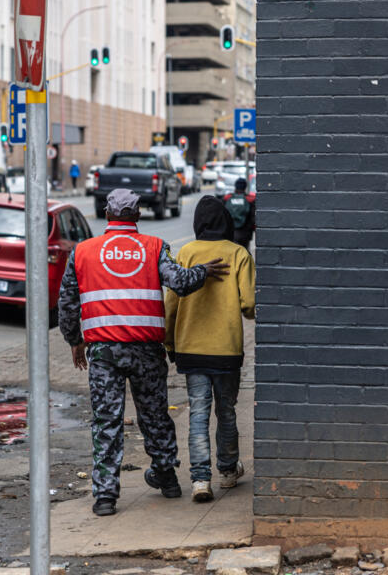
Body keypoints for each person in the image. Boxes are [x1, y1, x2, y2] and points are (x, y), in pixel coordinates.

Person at [58, 188, 229, 517]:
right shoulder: (154, 247)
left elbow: (66, 302)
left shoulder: (83, 252)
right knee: (154, 415)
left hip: (103, 351)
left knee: (107, 421)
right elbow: (179, 282)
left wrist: (74, 340)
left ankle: (105, 496)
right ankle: (166, 478)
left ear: (107, 215)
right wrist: (203, 272)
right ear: (137, 216)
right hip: (146, 350)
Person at [164, 195, 255, 503]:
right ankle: (228, 472)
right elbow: (249, 305)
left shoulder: (187, 253)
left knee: (198, 414)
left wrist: (168, 342)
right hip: (226, 349)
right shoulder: (238, 254)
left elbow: (171, 302)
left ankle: (201, 480)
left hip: (191, 347)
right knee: (226, 412)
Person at [222, 178, 255, 249]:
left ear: (235, 186)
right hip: (245, 235)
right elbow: (253, 219)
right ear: (245, 187)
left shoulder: (227, 198)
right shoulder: (250, 200)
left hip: (230, 234)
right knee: (244, 254)